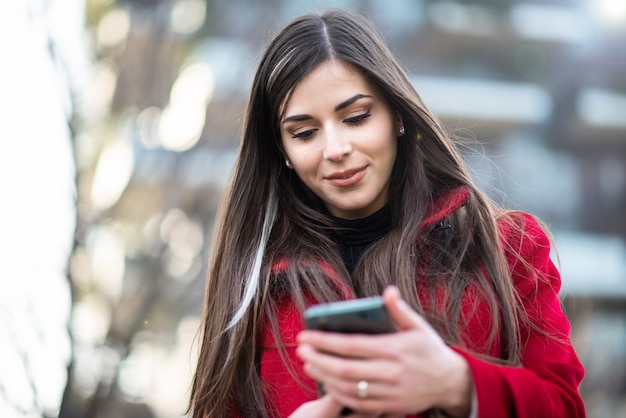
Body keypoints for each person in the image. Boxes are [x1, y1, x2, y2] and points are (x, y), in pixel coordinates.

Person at [188, 9, 585, 418]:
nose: (336, 148)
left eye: (357, 117)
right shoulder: (256, 280)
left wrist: (457, 383)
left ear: (396, 114)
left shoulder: (509, 247)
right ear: (282, 151)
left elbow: (564, 407)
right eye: (304, 133)